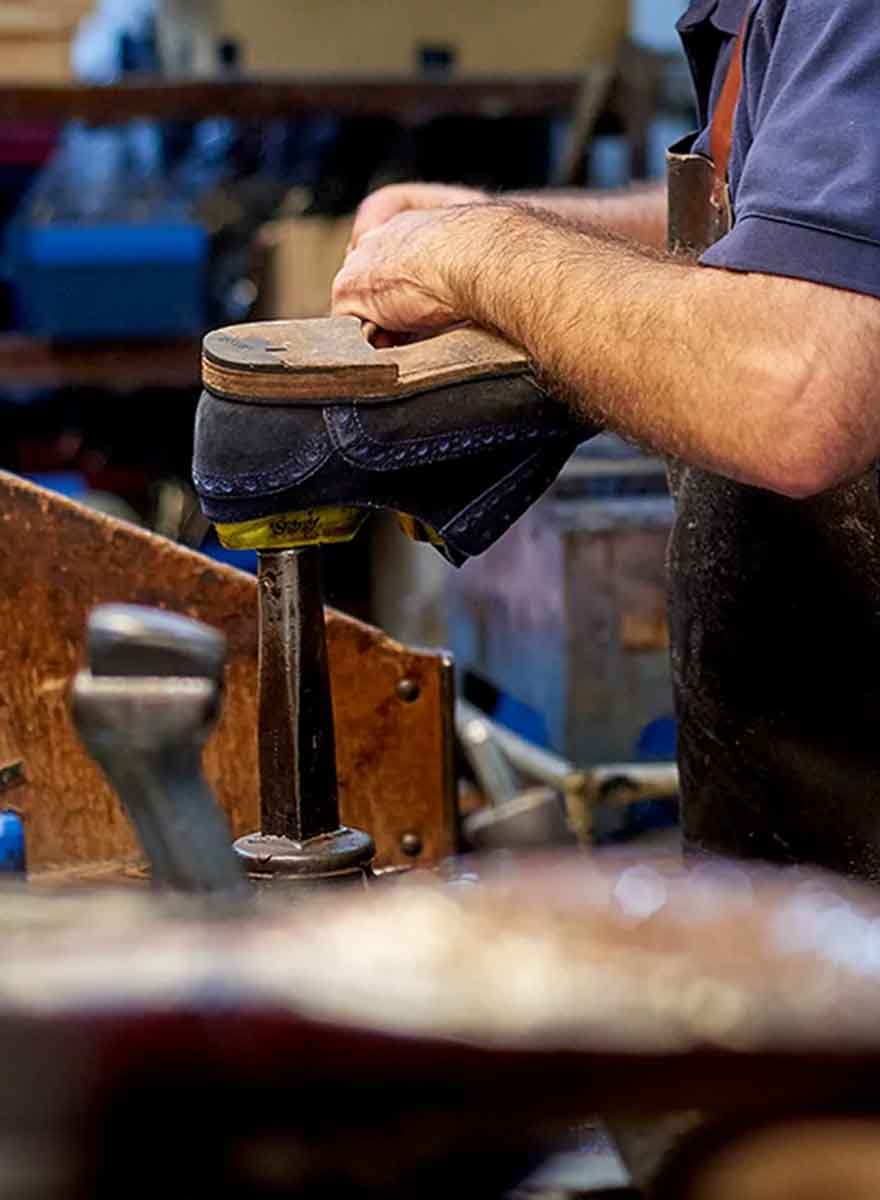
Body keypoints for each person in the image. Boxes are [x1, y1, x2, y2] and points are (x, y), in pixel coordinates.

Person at [331, 0, 880, 881]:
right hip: (808, 869)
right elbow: (786, 243)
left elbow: (797, 386)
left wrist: (485, 253)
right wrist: (503, 233)